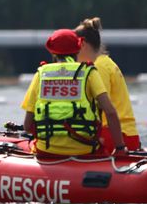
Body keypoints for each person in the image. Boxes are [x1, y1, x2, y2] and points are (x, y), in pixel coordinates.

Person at [21, 29, 127, 161]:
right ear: (78, 49)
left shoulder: (41, 73)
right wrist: (120, 148)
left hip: (46, 149)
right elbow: (110, 112)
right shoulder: (88, 72)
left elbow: (27, 125)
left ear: (52, 52)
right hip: (84, 150)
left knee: (25, 145)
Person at [73, 16, 142, 152]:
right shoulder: (105, 62)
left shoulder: (98, 67)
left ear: (82, 44)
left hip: (115, 135)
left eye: (73, 47)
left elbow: (103, 109)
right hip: (126, 134)